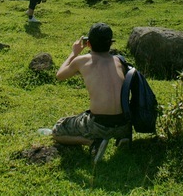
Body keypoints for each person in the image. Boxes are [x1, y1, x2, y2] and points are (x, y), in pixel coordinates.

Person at [52, 23, 131, 160]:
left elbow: (60, 75)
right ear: (110, 43)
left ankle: (94, 142)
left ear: (88, 43)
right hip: (125, 123)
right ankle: (121, 137)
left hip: (99, 124)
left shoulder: (82, 60)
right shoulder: (119, 61)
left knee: (57, 130)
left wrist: (74, 52)